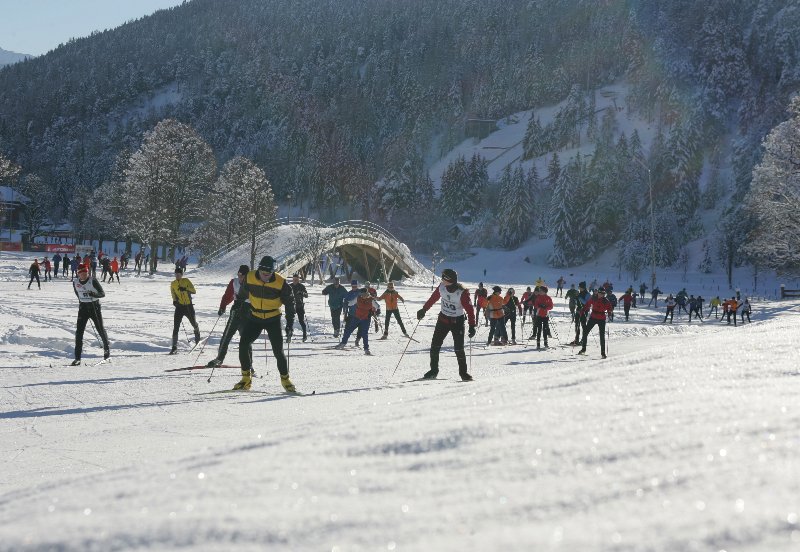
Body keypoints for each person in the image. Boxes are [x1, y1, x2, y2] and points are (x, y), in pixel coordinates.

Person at [234, 255, 297, 392]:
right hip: (255, 317)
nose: (265, 277)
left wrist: (290, 324)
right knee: (243, 345)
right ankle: (246, 379)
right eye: (263, 273)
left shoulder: (281, 282)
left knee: (278, 351)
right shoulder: (250, 277)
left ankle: (286, 380)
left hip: (272, 318)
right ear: (259, 270)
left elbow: (290, 304)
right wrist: (238, 305)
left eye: (269, 274)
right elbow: (243, 293)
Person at [416, 268, 476, 381]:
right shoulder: (442, 287)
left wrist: (472, 325)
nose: (441, 279)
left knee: (458, 349)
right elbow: (433, 299)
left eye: (443, 277)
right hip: (442, 320)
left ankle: (464, 374)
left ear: (449, 280)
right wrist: (424, 310)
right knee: (434, 346)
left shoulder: (462, 293)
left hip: (457, 322)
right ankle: (433, 371)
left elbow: (470, 310)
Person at [205, 265, 251, 368]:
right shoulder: (234, 282)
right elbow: (227, 295)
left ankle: (249, 364)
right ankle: (219, 359)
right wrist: (222, 306)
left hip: (247, 312)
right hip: (236, 310)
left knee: (246, 339)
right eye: (238, 275)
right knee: (226, 336)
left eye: (242, 275)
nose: (240, 277)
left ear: (247, 276)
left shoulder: (252, 284)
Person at [71, 265, 111, 364]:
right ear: (78, 273)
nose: (84, 275)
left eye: (85, 273)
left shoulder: (92, 281)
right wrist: (82, 302)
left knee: (100, 329)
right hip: (83, 309)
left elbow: (102, 293)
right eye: (82, 273)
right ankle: (77, 358)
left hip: (94, 308)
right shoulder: (75, 282)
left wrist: (93, 294)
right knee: (79, 333)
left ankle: (106, 350)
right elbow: (78, 294)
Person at [334, 287, 376, 354]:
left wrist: (374, 310)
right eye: (361, 294)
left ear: (367, 293)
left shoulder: (371, 300)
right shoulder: (358, 298)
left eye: (364, 294)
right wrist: (346, 302)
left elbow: (377, 306)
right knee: (348, 330)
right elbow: (350, 303)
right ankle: (343, 343)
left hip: (365, 319)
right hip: (357, 317)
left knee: (364, 334)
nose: (362, 296)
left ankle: (366, 349)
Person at [169, 267, 201, 354]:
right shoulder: (173, 283)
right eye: (176, 274)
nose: (177, 276)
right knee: (176, 327)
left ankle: (198, 340)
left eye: (179, 274)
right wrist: (175, 301)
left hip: (188, 306)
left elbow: (194, 291)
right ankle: (174, 347)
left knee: (193, 324)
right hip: (179, 307)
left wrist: (186, 289)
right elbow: (173, 294)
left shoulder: (186, 281)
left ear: (182, 275)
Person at [577, 287, 613, 358]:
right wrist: (582, 310)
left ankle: (603, 353)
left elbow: (610, 308)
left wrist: (609, 313)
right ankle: (583, 349)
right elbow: (587, 305)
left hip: (602, 319)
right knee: (585, 332)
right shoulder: (593, 298)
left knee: (602, 336)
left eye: (603, 294)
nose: (601, 295)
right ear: (598, 293)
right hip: (593, 317)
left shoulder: (606, 301)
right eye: (600, 293)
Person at [288, 274, 309, 341]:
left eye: (296, 280)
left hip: (300, 306)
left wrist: (302, 293)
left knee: (301, 321)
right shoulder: (289, 286)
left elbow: (306, 295)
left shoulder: (301, 286)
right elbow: (285, 294)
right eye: (294, 279)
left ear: (299, 279)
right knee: (290, 321)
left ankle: (304, 335)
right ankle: (289, 336)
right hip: (291, 306)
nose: (295, 281)